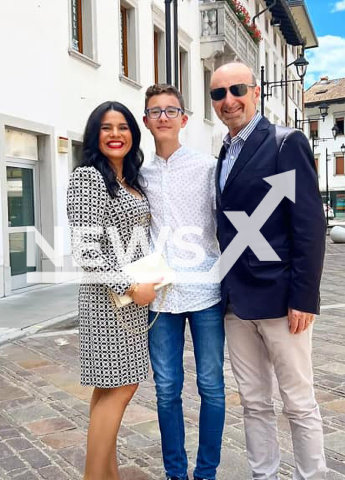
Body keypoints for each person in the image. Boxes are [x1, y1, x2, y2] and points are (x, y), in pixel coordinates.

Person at [210, 62, 327, 479]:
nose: (228, 100)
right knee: (254, 401)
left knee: (298, 400)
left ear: (256, 92)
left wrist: (303, 296)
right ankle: (264, 475)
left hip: (281, 302)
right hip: (236, 305)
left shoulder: (284, 143)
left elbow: (310, 225)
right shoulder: (224, 153)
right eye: (218, 94)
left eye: (236, 89)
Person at [67, 101, 159, 480]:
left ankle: (108, 474)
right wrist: (130, 285)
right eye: (107, 128)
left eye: (123, 127)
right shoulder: (88, 177)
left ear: (133, 134)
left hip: (132, 301)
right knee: (122, 386)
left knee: (108, 390)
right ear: (95, 134)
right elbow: (86, 250)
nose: (116, 134)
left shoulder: (130, 180)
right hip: (108, 301)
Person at [140, 84, 224, 480]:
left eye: (170, 111)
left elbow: (227, 224)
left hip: (206, 290)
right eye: (155, 111)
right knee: (166, 390)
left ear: (184, 119)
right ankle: (176, 473)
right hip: (161, 298)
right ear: (145, 121)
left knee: (211, 385)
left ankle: (205, 473)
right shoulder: (139, 176)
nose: (163, 117)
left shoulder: (207, 167)